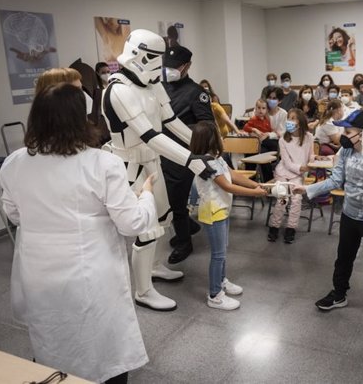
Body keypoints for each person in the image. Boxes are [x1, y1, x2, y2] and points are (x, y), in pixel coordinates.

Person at [0, 83, 154, 383]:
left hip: (40, 272)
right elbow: (131, 223)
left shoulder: (15, 163)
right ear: (81, 119)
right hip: (91, 275)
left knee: (52, 340)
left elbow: (14, 214)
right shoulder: (101, 163)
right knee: (102, 348)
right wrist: (146, 195)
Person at [102, 31, 215, 311]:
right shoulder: (119, 89)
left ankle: (152, 268)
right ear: (141, 55)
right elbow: (150, 134)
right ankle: (143, 291)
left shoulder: (152, 84)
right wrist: (191, 159)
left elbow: (172, 121)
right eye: (155, 58)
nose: (159, 65)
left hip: (152, 162)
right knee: (145, 229)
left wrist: (200, 147)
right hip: (130, 165)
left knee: (161, 220)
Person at [293, 110, 363, 324]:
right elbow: (335, 181)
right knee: (343, 258)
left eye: (348, 131)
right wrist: (306, 190)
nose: (343, 135)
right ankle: (339, 294)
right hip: (350, 214)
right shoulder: (345, 151)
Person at [190, 121, 267, 310]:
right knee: (218, 255)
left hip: (222, 209)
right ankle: (215, 295)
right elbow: (227, 185)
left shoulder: (216, 158)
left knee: (222, 250)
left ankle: (222, 280)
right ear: (212, 138)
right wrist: (255, 194)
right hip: (213, 212)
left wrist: (255, 184)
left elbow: (233, 175)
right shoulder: (205, 163)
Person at [160, 44, 217, 265]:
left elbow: (207, 125)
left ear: (187, 66)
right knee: (166, 198)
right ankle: (189, 226)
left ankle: (184, 241)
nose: (170, 70)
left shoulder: (196, 92)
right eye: (167, 66)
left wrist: (186, 135)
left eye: (175, 67)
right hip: (160, 149)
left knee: (176, 198)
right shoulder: (160, 86)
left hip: (182, 152)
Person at [268, 109, 316, 244]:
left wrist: (315, 159)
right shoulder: (283, 139)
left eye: (293, 118)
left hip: (298, 175)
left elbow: (310, 154)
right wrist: (303, 168)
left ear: (300, 122)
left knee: (296, 199)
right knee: (282, 198)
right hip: (283, 173)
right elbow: (287, 163)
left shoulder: (309, 137)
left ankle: (291, 228)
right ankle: (274, 226)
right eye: (288, 118)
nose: (289, 121)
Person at [259, 86, 288, 182]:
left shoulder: (283, 113)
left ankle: (268, 180)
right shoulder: (262, 110)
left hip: (276, 142)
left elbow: (282, 133)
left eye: (274, 98)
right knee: (261, 152)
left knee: (263, 150)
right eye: (269, 98)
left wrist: (269, 135)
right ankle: (265, 181)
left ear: (279, 101)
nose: (271, 100)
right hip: (261, 141)